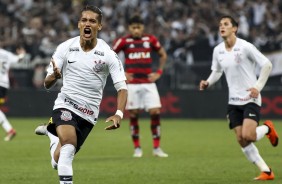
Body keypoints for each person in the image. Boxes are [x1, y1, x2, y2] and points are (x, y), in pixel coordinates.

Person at [34, 5, 127, 184]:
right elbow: (46, 84)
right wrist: (54, 75)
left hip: (89, 114)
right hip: (65, 104)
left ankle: (52, 135)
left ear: (99, 26)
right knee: (68, 149)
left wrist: (119, 113)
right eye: (84, 20)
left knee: (57, 160)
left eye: (92, 21)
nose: (87, 24)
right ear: (78, 24)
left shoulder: (108, 54)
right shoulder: (65, 47)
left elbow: (122, 87)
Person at [199, 15, 278, 180]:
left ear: (234, 28)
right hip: (233, 102)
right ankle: (267, 171)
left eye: (226, 24)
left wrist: (257, 87)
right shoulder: (218, 50)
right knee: (242, 140)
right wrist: (208, 82)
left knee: (249, 135)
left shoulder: (246, 47)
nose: (222, 27)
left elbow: (267, 65)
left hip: (250, 98)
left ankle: (268, 128)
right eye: (220, 24)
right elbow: (217, 71)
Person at [112, 15, 168, 158]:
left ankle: (156, 148)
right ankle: (137, 148)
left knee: (155, 112)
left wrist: (159, 72)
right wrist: (123, 73)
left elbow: (163, 55)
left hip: (149, 83)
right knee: (133, 114)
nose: (136, 30)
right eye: (133, 27)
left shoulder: (150, 39)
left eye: (139, 27)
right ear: (129, 28)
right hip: (132, 85)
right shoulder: (123, 41)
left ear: (143, 27)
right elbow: (111, 57)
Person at [0, 47, 25, 141]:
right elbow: (19, 59)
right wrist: (22, 53)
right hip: (4, 85)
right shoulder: (6, 54)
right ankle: (10, 130)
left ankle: (10, 130)